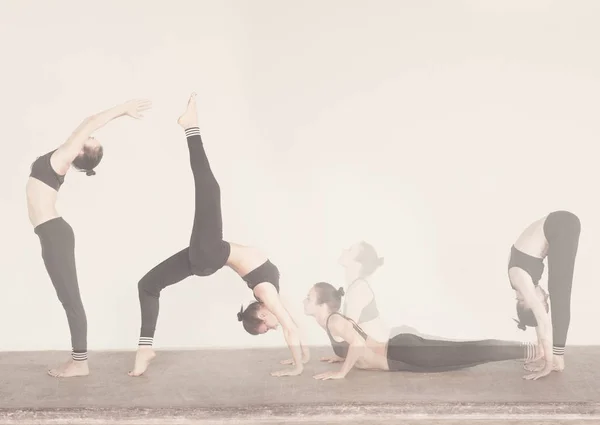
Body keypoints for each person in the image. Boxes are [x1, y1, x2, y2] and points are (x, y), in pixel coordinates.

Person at [129, 93, 309, 378]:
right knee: (147, 285)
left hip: (210, 252)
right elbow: (292, 323)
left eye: (267, 328)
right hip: (207, 257)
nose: (274, 327)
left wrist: (297, 366)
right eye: (270, 328)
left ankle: (191, 126)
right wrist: (301, 360)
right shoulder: (270, 294)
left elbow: (289, 326)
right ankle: (144, 349)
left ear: (261, 313)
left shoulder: (266, 293)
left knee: (210, 189)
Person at [27, 99, 152, 378]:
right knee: (67, 297)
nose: (88, 136)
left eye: (89, 140)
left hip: (54, 234)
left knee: (70, 299)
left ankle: (79, 362)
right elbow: (88, 127)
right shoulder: (58, 158)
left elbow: (91, 121)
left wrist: (124, 108)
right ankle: (78, 360)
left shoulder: (61, 158)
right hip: (51, 234)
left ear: (80, 151)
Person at [304, 282, 543, 380]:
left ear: (322, 305)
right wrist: (340, 355)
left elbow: (356, 342)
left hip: (403, 352)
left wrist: (342, 373)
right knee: (467, 354)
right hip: (399, 353)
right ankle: (532, 350)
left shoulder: (334, 321)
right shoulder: (331, 323)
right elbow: (354, 341)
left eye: (309, 298)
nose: (304, 301)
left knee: (470, 351)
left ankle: (534, 350)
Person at [508, 210, 581, 379]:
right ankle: (554, 356)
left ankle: (557, 359)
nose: (546, 297)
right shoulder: (520, 282)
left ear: (525, 301)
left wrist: (547, 366)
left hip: (560, 224)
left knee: (560, 293)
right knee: (558, 289)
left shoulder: (520, 279)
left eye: (543, 303)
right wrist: (542, 351)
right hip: (558, 223)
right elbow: (538, 319)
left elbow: (542, 320)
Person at [320, 241, 389, 364]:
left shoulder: (358, 289)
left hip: (385, 353)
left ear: (358, 264)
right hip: (374, 352)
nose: (343, 250)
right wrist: (343, 357)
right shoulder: (354, 287)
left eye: (350, 250)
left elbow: (350, 332)